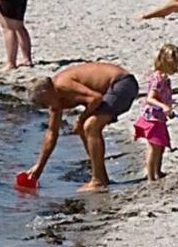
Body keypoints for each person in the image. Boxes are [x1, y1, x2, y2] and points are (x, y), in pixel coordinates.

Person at [22, 62, 139, 192]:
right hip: (112, 90)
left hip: (123, 83)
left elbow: (95, 98)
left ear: (48, 91)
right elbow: (51, 134)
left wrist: (80, 119)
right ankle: (101, 175)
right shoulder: (54, 99)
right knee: (86, 129)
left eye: (45, 103)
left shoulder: (63, 85)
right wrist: (39, 167)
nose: (47, 107)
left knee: (91, 126)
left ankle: (98, 180)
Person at [133, 44, 178, 181]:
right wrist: (163, 106)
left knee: (161, 146)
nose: (176, 69)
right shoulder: (157, 78)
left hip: (160, 117)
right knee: (154, 147)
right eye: (174, 66)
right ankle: (151, 177)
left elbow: (163, 96)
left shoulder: (165, 78)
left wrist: (169, 105)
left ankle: (158, 171)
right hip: (152, 118)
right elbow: (150, 99)